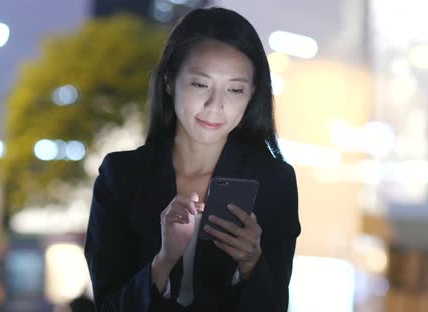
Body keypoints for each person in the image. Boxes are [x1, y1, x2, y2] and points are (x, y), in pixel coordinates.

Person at [84, 7, 301, 312]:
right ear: (170, 81)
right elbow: (109, 306)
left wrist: (251, 263)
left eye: (235, 89)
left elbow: (275, 306)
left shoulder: (274, 181)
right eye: (200, 84)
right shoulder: (121, 175)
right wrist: (163, 261)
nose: (216, 105)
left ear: (252, 94)